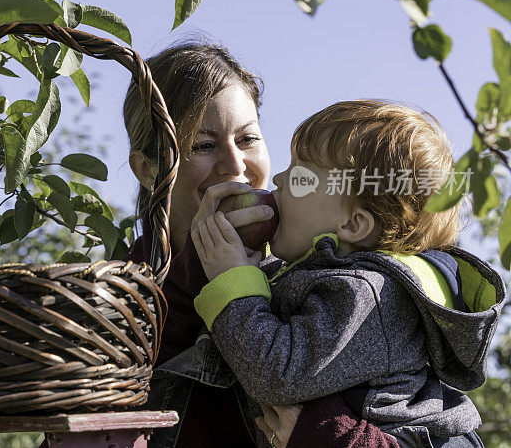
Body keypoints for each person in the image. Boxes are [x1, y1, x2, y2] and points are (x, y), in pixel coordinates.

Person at [124, 44, 404, 447]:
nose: (235, 166)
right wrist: (195, 275)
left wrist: (326, 430)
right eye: (203, 145)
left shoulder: (325, 279)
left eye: (248, 138)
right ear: (149, 169)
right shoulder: (115, 301)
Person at [191, 100, 506, 447]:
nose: (279, 178)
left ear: (353, 223)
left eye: (300, 176)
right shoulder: (340, 280)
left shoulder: (367, 295)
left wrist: (233, 281)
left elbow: (276, 374)